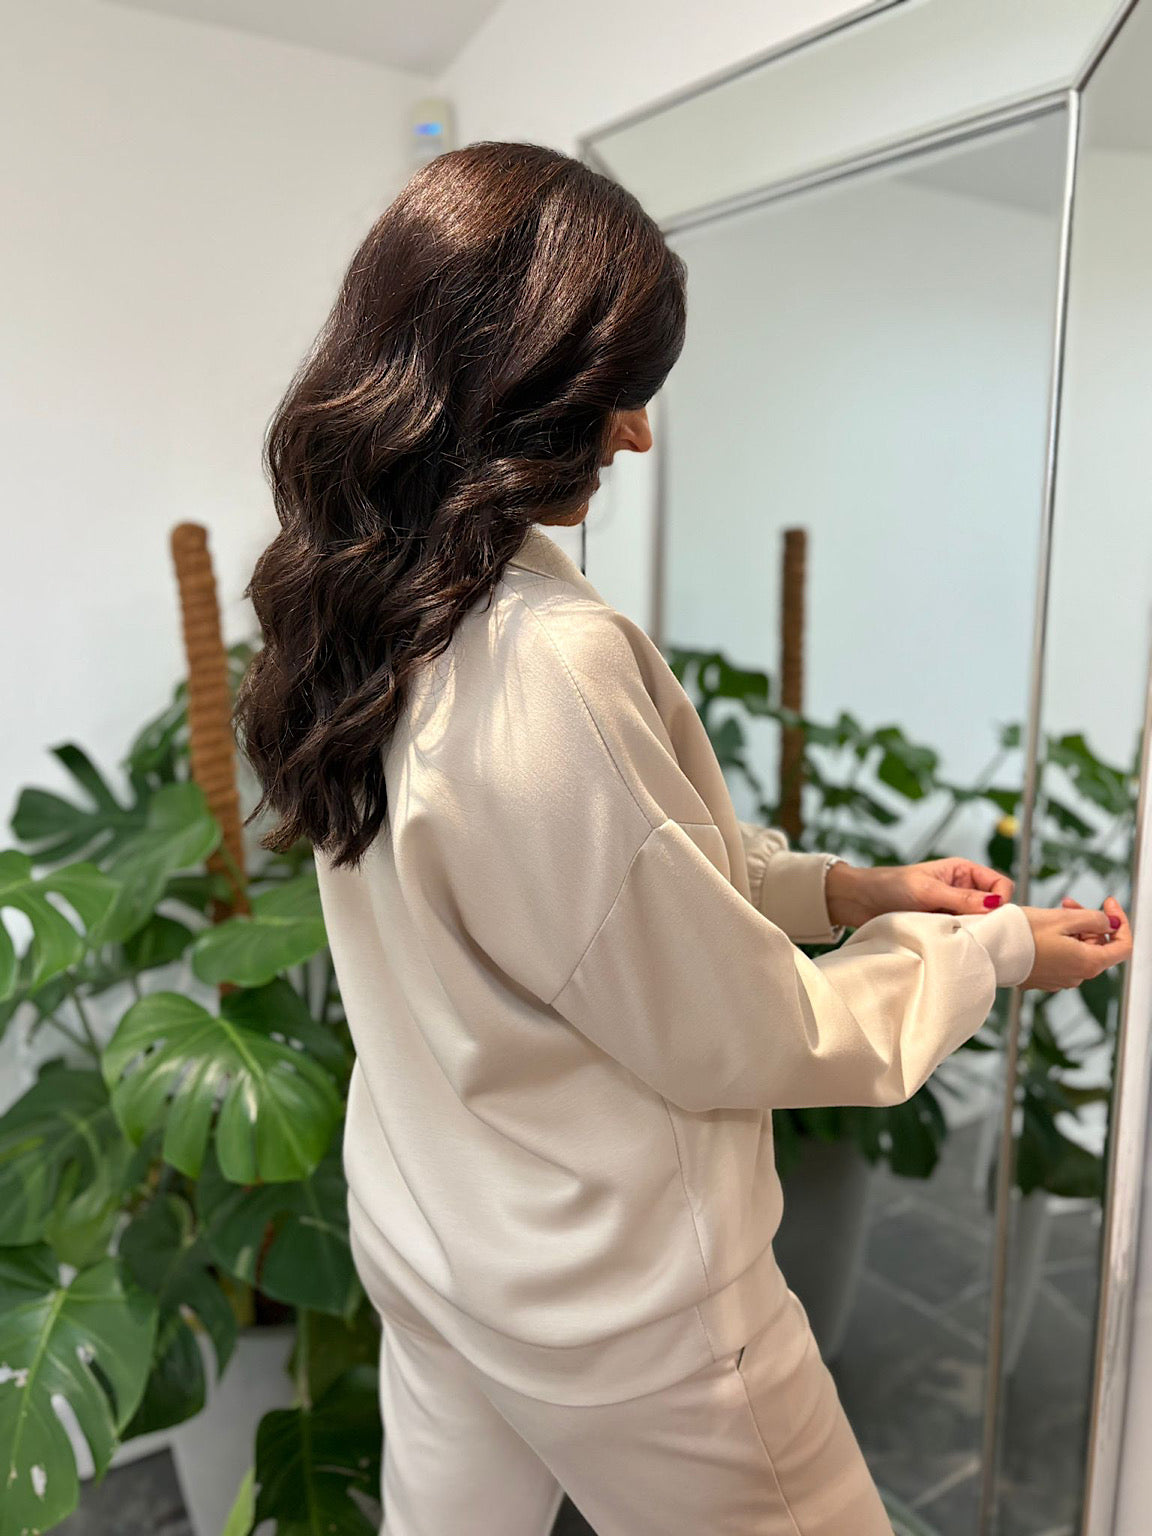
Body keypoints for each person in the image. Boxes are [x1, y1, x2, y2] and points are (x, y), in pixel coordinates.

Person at [233, 141, 1132, 1536]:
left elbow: (597, 895)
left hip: (435, 1240)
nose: (639, 433)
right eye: (616, 390)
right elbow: (749, 1029)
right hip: (626, 1319)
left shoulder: (359, 609)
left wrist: (850, 889)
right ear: (511, 386)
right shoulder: (546, 661)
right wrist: (1000, 951)